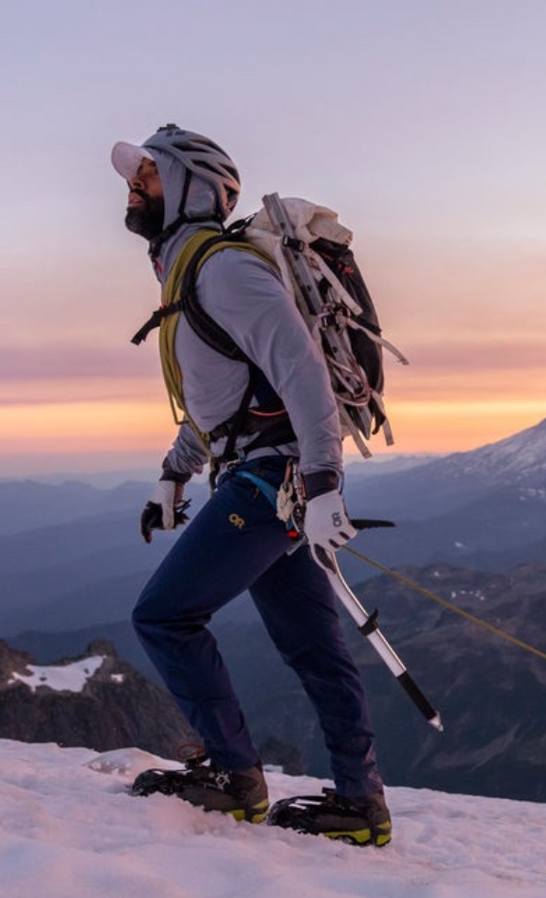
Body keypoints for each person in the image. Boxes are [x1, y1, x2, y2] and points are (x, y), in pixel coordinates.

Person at [113, 123, 391, 845]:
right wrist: (173, 475)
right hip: (272, 476)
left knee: (164, 616)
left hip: (273, 481)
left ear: (185, 186)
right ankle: (363, 805)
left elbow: (299, 371)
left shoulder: (221, 271)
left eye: (145, 174)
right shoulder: (194, 275)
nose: (133, 188)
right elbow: (219, 403)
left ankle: (236, 778)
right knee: (312, 646)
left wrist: (326, 479)